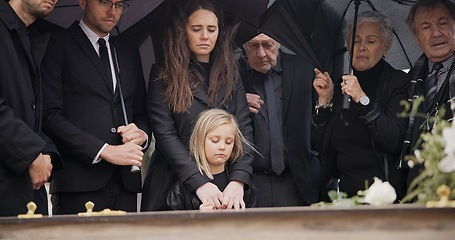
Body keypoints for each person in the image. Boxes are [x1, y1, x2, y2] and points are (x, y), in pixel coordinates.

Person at [141, 0, 254, 211]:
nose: (205, 36)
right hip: (172, 182)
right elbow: (165, 135)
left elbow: (244, 130)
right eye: (196, 29)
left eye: (212, 29)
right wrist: (198, 182)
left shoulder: (232, 74)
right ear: (182, 31)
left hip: (224, 180)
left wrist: (239, 180)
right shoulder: (163, 73)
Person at [41, 0, 150, 214]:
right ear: (82, 2)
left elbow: (140, 112)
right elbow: (50, 115)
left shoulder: (128, 51)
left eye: (119, 4)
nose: (113, 11)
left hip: (125, 182)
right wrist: (104, 151)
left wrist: (142, 135)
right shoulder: (56, 43)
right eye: (104, 2)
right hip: (78, 181)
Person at [312, 11, 410, 199]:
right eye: (356, 40)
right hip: (345, 197)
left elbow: (394, 140)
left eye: (371, 41)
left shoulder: (398, 82)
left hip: (386, 196)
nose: (362, 47)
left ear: (385, 47)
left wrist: (362, 99)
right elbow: (322, 146)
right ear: (348, 45)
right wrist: (324, 102)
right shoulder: (341, 84)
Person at [241, 33, 320, 207]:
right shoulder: (231, 74)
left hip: (298, 180)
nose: (261, 53)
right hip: (250, 182)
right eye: (253, 45)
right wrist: (237, 102)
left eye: (267, 45)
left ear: (278, 41)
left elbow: (321, 121)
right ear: (244, 46)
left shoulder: (305, 68)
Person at [0, 0, 61, 217]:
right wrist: (32, 154)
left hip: (26, 191)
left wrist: (47, 155)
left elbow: (31, 114)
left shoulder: (32, 35)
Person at [403, 0, 455, 189]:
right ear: (416, 37)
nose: (436, 33)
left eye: (443, 23)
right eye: (426, 27)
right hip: (416, 191)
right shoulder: (409, 82)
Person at [167, 109, 256, 210]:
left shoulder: (243, 186)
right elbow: (175, 222)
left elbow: (254, 222)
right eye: (215, 141)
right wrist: (199, 218)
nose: (222, 147)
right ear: (198, 140)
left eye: (228, 142)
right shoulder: (183, 187)